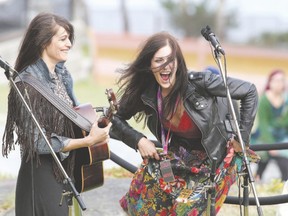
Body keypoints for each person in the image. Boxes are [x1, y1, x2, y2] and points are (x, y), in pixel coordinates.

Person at [110, 32, 260, 215]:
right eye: (158, 61)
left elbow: (249, 91)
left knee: (186, 208)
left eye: (170, 60)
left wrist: (241, 138)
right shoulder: (147, 91)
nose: (165, 66)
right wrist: (139, 140)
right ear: (149, 65)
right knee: (142, 189)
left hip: (217, 157)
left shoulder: (200, 82)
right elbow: (115, 119)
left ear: (179, 62)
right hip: (180, 155)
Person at [1, 12, 111, 216]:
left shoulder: (62, 74)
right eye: (63, 39)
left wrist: (97, 127)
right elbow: (37, 142)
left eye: (69, 38)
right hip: (41, 177)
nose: (69, 43)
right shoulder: (26, 85)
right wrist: (87, 143)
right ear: (44, 41)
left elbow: (78, 119)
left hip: (65, 171)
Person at [251, 69, 288, 182]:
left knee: (284, 163)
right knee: (263, 159)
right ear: (270, 82)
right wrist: (271, 145)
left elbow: (285, 123)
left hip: (281, 136)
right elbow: (263, 124)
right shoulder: (264, 99)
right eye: (276, 80)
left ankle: (283, 186)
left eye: (281, 80)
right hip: (264, 137)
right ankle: (257, 178)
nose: (279, 83)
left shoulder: (286, 99)